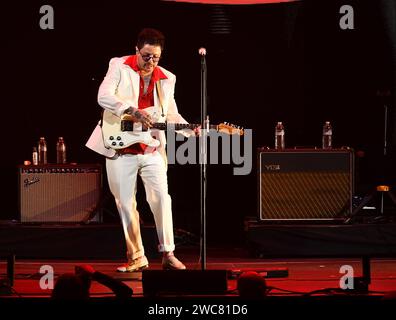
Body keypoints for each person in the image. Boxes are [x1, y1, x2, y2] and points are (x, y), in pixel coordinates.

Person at [86, 28, 193, 272]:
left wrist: (189, 130)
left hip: (151, 149)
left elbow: (171, 113)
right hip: (121, 149)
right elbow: (103, 96)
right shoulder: (120, 65)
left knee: (162, 200)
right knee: (125, 203)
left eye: (156, 57)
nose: (151, 62)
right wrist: (132, 110)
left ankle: (168, 253)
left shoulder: (167, 78)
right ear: (137, 50)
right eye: (146, 56)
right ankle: (136, 257)